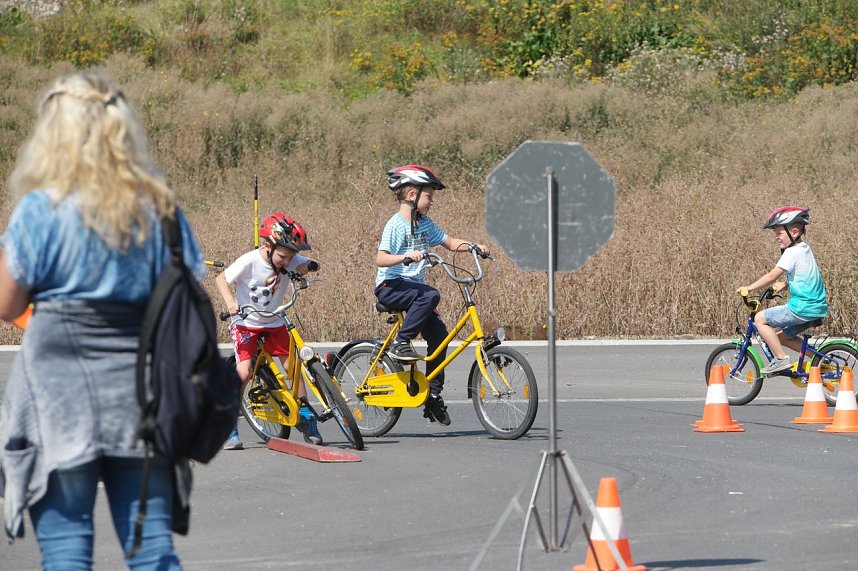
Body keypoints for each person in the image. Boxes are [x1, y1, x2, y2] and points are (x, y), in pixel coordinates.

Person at [0, 70, 204, 568]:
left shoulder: (39, 211)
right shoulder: (160, 211)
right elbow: (189, 291)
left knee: (67, 550)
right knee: (152, 550)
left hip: (56, 399)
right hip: (142, 393)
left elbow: (6, 305)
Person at [375, 165, 489, 426]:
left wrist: (472, 246)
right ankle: (399, 344)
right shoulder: (396, 225)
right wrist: (404, 257)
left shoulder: (424, 224)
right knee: (431, 295)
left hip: (413, 292)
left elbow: (448, 242)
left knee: (439, 336)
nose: (432, 201)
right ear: (412, 195)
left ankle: (433, 395)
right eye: (429, 196)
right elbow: (381, 259)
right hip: (390, 286)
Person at [215, 212, 323, 449]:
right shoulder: (250, 260)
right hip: (246, 323)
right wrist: (231, 304)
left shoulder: (288, 257)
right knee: (243, 372)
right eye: (283, 256)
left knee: (292, 367)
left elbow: (303, 263)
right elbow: (221, 279)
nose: (287, 261)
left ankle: (305, 416)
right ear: (268, 246)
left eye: (291, 256)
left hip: (273, 322)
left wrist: (310, 266)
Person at [736, 206, 828, 375]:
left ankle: (780, 359)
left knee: (759, 319)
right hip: (817, 307)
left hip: (801, 307)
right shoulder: (804, 248)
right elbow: (804, 273)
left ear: (793, 232)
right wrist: (785, 284)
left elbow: (772, 275)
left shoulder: (791, 252)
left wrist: (749, 288)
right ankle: (822, 361)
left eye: (779, 233)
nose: (776, 238)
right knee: (782, 337)